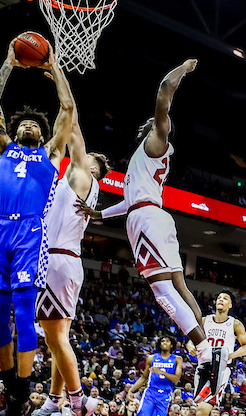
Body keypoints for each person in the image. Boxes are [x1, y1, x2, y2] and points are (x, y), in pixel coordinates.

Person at [77, 60, 209, 356]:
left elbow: (164, 91)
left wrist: (183, 69)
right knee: (179, 285)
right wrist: (99, 214)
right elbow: (129, 202)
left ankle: (202, 348)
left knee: (162, 289)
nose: (158, 121)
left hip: (146, 218)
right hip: (154, 214)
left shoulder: (155, 142)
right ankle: (204, 343)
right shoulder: (144, 158)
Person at [0, 43, 76, 416]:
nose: (30, 125)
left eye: (36, 124)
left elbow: (67, 109)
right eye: (25, 123)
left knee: (23, 311)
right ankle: (14, 394)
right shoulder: (1, 148)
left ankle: (21, 394)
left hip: (30, 232)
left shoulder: (50, 154)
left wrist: (56, 69)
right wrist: (8, 63)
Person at [36, 97, 109, 416]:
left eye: (86, 158)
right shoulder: (71, 185)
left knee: (56, 339)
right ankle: (54, 401)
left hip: (57, 259)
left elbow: (73, 127)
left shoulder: (83, 177)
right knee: (58, 339)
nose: (80, 157)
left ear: (92, 169)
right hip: (66, 260)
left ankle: (77, 402)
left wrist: (60, 81)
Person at [166, 292, 246, 416]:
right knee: (200, 414)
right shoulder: (205, 321)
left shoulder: (234, 323)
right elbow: (191, 342)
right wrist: (191, 348)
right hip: (202, 368)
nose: (221, 299)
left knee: (200, 413)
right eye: (219, 297)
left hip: (220, 370)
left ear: (230, 305)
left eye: (225, 298)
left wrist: (230, 355)